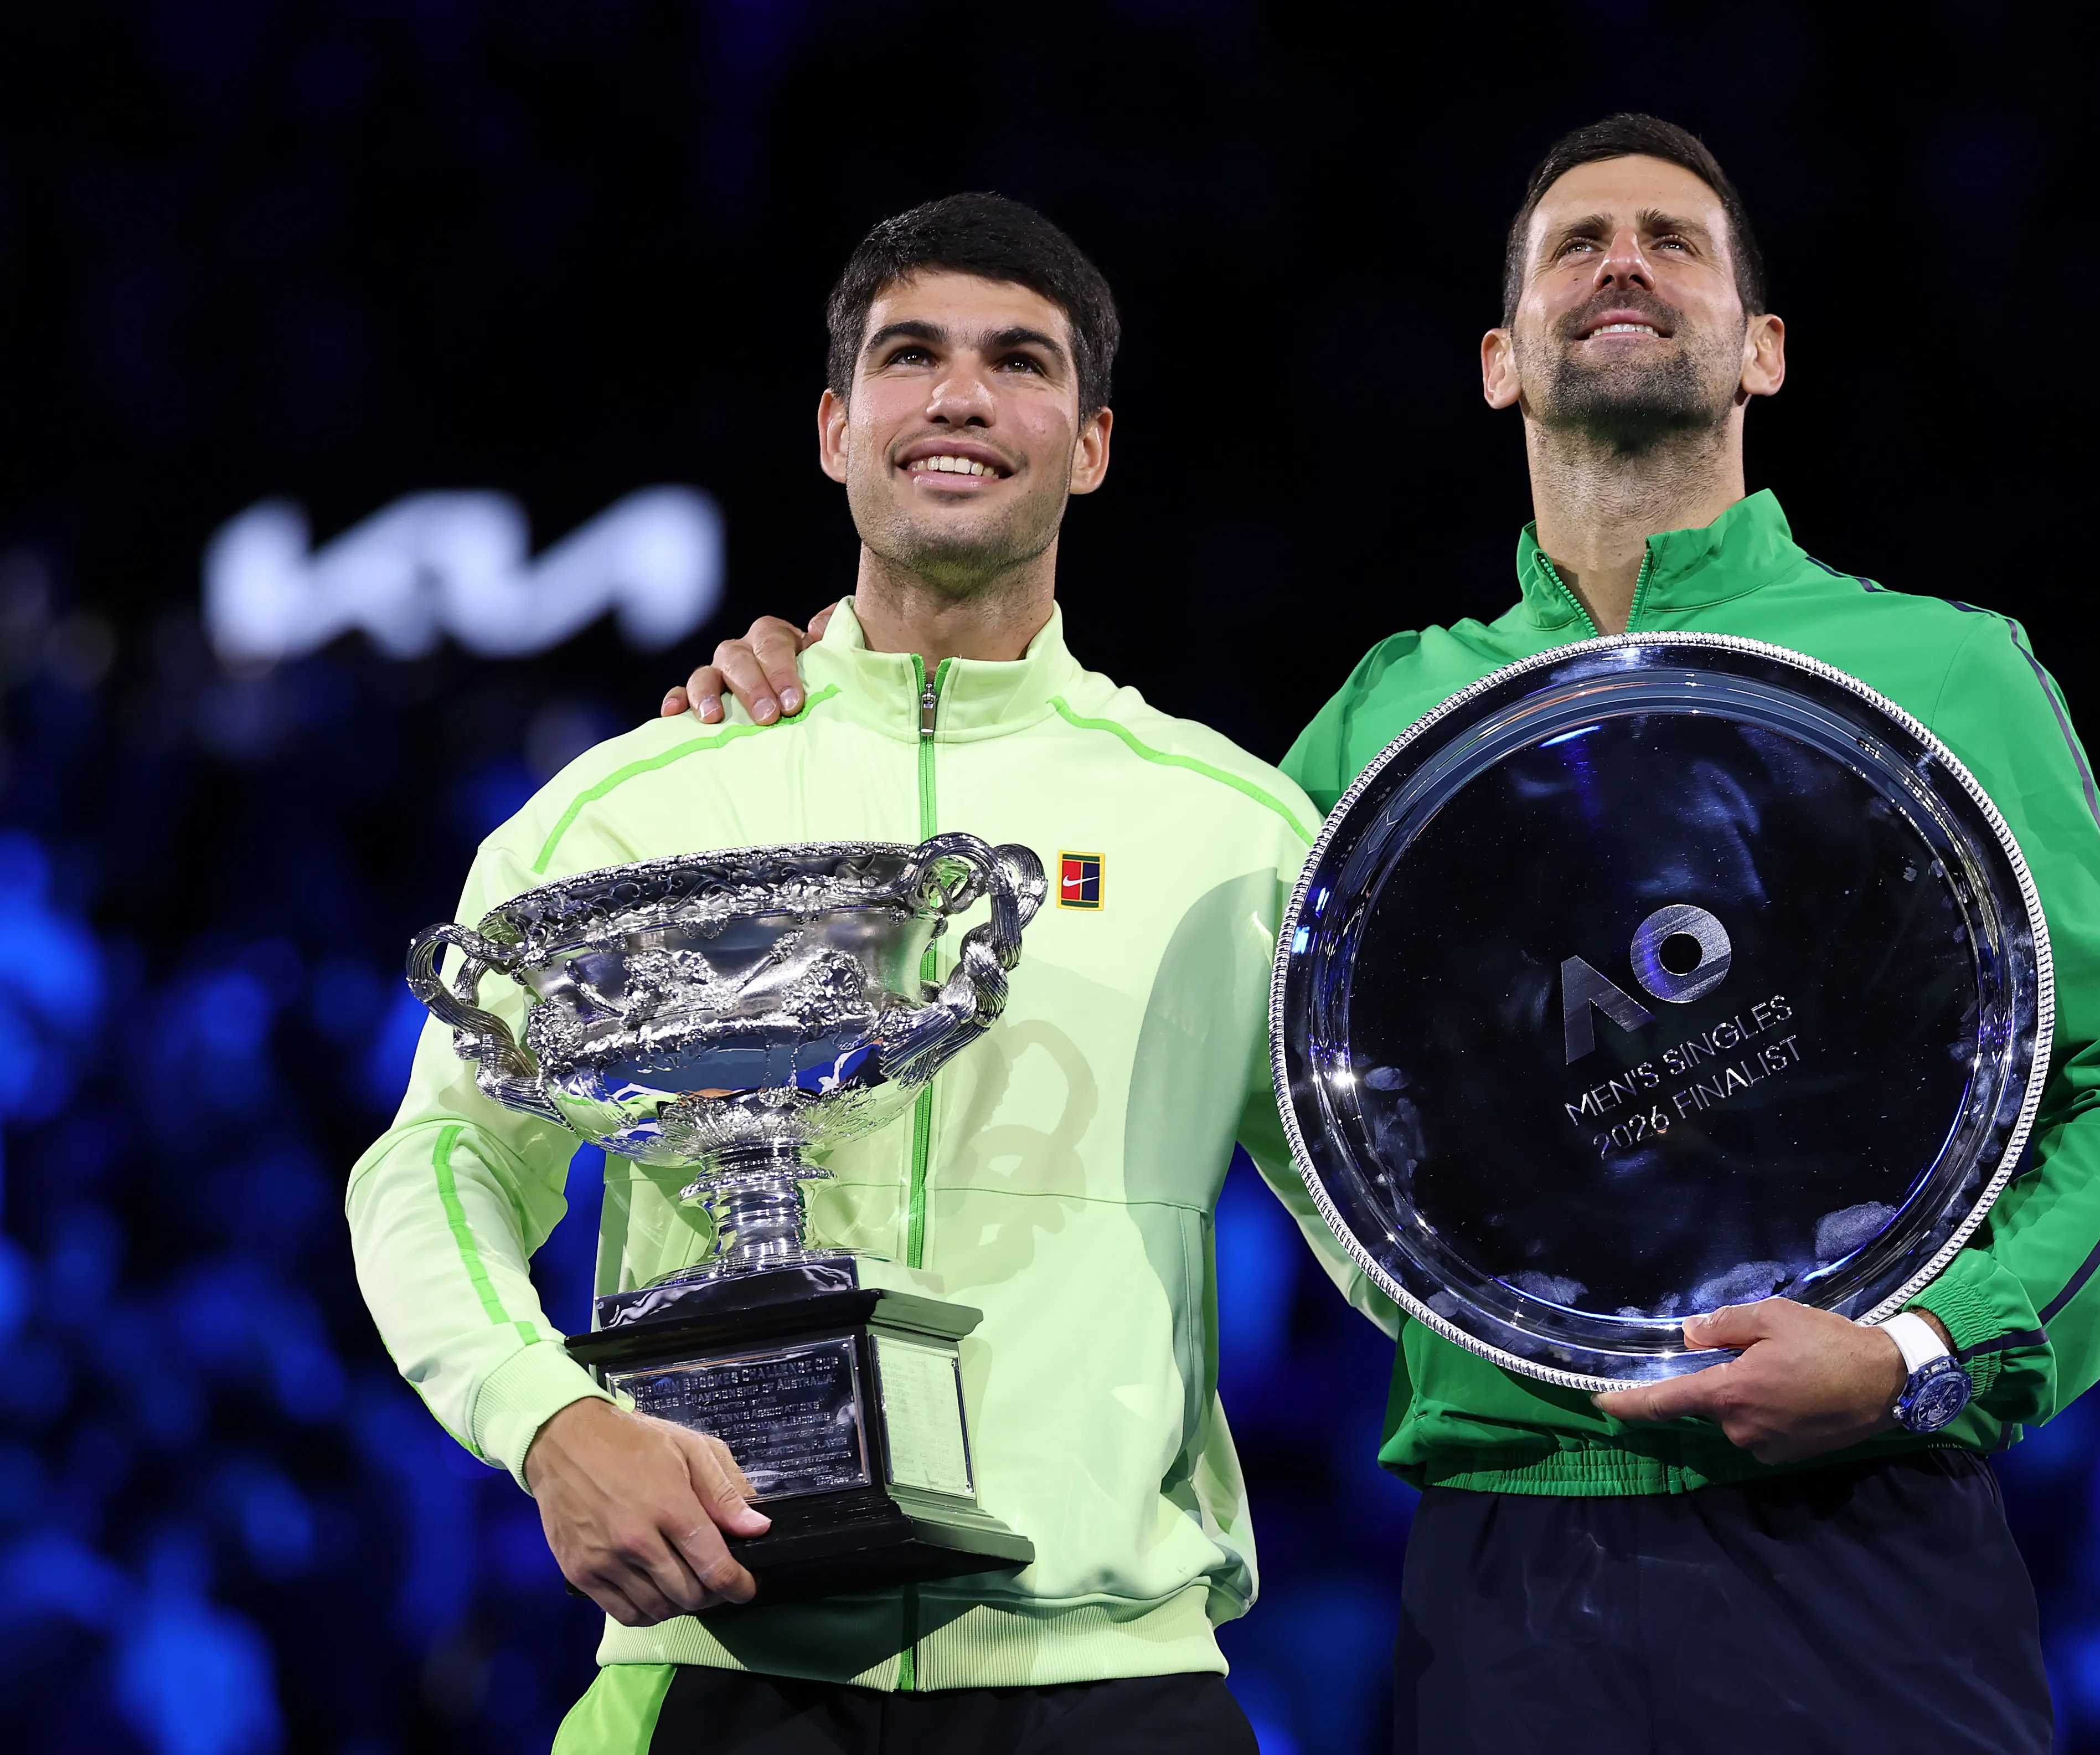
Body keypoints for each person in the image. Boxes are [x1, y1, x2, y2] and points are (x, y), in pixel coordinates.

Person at [668, 116, 2100, 1754]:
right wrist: (824, 685)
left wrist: (1919, 1350)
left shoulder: (1950, 673)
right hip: (1509, 1574)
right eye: (1578, 243)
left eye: (1671, 241)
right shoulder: (1386, 729)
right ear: (1502, 363)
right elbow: (1151, 977)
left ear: (1761, 351)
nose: (1622, 261)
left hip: (1866, 1535)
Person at [350, 192, 1394, 1755]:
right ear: (836, 428)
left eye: (1019, 363)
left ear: (1092, 444)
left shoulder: (1233, 828)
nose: (962, 396)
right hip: (712, 1676)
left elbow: (1394, 1235)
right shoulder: (636, 804)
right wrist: (548, 1422)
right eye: (912, 357)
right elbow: (435, 1165)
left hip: (1113, 1686)